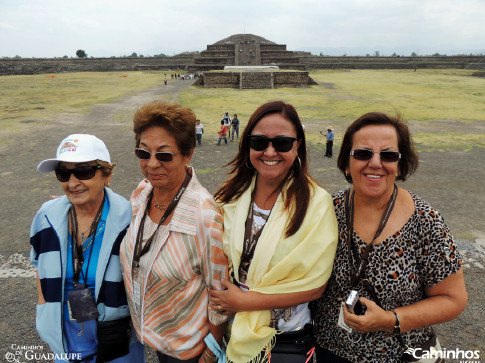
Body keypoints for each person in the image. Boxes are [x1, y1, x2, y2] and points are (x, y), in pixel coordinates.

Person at [311, 112, 467, 362]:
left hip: (399, 354)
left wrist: (390, 320)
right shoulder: (328, 210)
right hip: (331, 350)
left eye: (388, 155)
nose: (375, 163)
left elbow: (453, 298)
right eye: (363, 153)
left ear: (399, 164)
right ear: (347, 163)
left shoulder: (426, 221)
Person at [211, 101, 338, 363]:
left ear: (298, 146)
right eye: (259, 142)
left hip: (285, 339)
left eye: (282, 143)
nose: (270, 151)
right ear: (247, 145)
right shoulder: (229, 197)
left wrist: (244, 302)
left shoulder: (316, 204)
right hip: (233, 333)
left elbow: (315, 287)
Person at [119, 100, 229, 363]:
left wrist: (210, 355)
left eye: (164, 155)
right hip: (155, 337)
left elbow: (220, 293)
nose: (152, 164)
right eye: (144, 153)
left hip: (187, 350)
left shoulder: (204, 215)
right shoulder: (142, 192)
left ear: (188, 154)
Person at [30, 134, 145, 363]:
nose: (72, 183)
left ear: (107, 175)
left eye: (83, 172)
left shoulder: (130, 220)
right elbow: (38, 264)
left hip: (117, 344)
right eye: (63, 173)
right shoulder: (47, 216)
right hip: (64, 342)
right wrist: (43, 306)